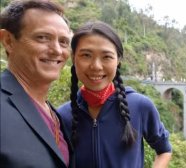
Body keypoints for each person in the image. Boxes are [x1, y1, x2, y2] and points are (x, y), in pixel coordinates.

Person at [58, 21, 172, 168]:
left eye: (106, 57)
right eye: (86, 55)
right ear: (73, 58)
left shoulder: (140, 106)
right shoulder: (62, 116)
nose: (96, 66)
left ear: (118, 60)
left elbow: (164, 150)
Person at [0, 0, 73, 167]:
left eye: (63, 42)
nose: (56, 50)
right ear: (9, 41)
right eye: (42, 37)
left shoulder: (56, 116)